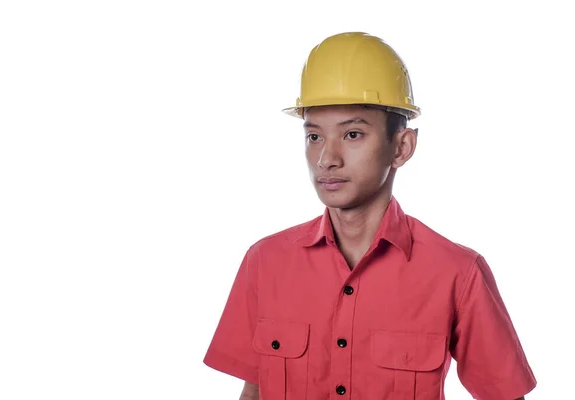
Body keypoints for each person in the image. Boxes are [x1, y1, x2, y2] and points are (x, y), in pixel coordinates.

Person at [203, 32, 536, 400]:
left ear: (401, 147)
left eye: (353, 134)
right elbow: (255, 390)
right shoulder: (265, 263)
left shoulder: (458, 273)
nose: (327, 159)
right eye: (314, 137)